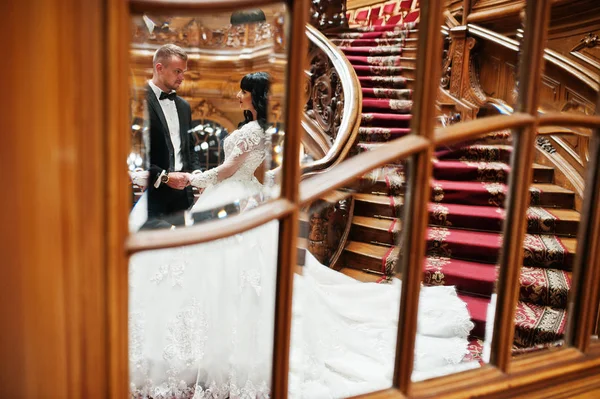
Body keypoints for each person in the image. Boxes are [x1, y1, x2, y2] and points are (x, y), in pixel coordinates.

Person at [128, 72, 479, 399]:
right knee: (229, 269)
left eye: (243, 91)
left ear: (253, 96)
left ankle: (226, 345)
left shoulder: (250, 132)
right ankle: (210, 341)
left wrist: (190, 179)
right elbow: (254, 173)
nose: (238, 95)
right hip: (242, 195)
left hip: (232, 194)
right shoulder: (258, 129)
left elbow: (227, 170)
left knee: (228, 270)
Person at [144, 44, 200, 218]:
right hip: (150, 193)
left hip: (182, 197)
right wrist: (165, 177)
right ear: (159, 68)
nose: (182, 77)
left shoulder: (184, 106)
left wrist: (197, 175)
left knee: (180, 244)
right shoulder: (138, 99)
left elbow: (189, 147)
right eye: (177, 71)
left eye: (183, 72)